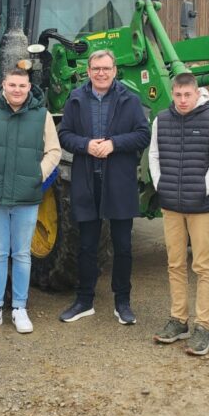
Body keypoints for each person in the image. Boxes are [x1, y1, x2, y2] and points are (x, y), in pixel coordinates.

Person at [57, 49, 150, 325]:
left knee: (123, 246)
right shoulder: (76, 99)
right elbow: (64, 134)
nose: (101, 73)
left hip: (118, 181)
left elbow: (143, 134)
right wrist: (85, 145)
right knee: (86, 245)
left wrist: (114, 144)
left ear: (114, 70)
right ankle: (84, 300)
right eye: (96, 68)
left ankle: (122, 301)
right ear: (88, 71)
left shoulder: (129, 100)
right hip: (86, 180)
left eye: (106, 68)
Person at [0, 68, 61, 335]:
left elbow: (53, 150)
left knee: (21, 254)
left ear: (29, 87)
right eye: (12, 85)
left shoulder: (41, 116)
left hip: (27, 196)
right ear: (3, 86)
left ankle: (20, 307)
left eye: (22, 85)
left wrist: (38, 174)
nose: (17, 90)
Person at [148, 74, 209, 355]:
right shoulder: (161, 120)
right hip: (171, 205)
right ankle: (179, 320)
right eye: (178, 95)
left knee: (203, 267)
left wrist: (204, 189)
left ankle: (203, 326)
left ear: (197, 94)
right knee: (175, 264)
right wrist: (160, 184)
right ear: (173, 93)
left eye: (187, 95)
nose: (182, 100)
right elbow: (153, 155)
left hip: (200, 208)